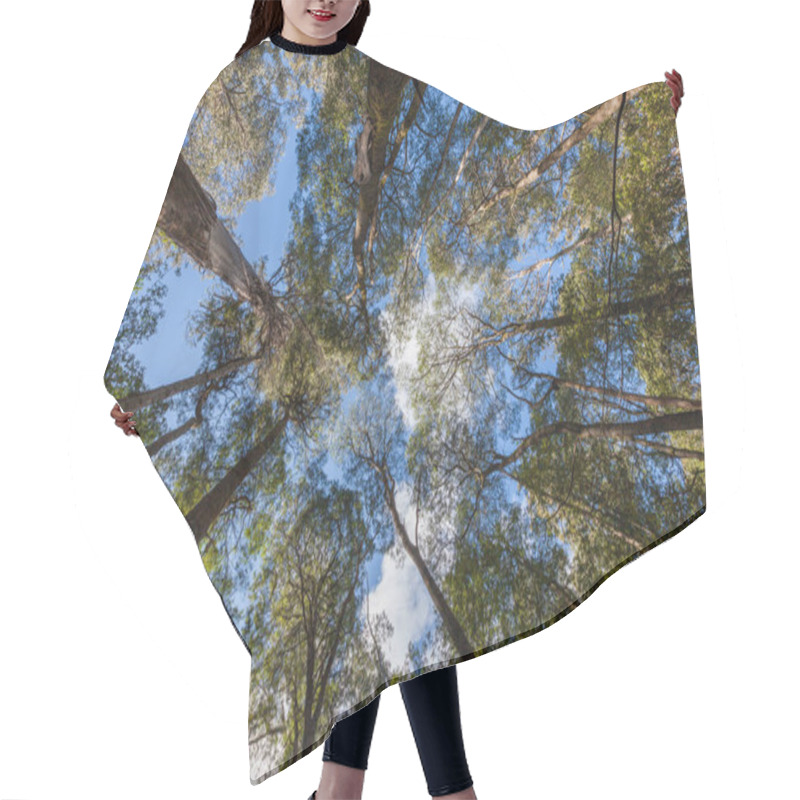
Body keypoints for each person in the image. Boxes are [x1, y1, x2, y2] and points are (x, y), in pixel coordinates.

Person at [109, 3, 686, 798]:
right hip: (296, 410)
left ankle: (350, 791)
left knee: (391, 578)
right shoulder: (235, 94)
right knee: (373, 584)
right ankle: (429, 792)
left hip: (390, 389)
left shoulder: (375, 88)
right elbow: (195, 259)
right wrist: (153, 384)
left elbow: (483, 176)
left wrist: (636, 122)